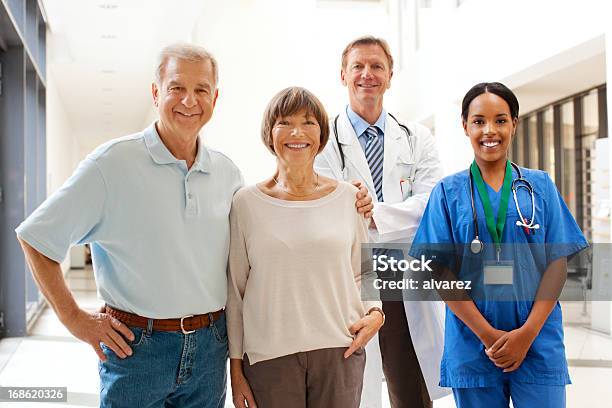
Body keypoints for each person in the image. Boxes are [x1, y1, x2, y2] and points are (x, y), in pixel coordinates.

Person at [15, 44, 373, 408]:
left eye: (201, 90)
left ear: (214, 98)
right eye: (176, 88)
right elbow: (36, 237)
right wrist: (75, 318)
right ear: (156, 93)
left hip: (208, 349)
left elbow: (346, 257)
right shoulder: (112, 164)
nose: (189, 101)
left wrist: (349, 197)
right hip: (139, 349)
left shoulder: (226, 174)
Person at [410, 82, 588, 407]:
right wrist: (488, 336)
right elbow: (439, 271)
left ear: (514, 124)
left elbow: (557, 263)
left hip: (538, 342)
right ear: (465, 126)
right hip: (473, 345)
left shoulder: (540, 187)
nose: (489, 130)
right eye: (479, 121)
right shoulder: (447, 193)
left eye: (500, 120)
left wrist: (527, 335)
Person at [227, 86, 384, 408]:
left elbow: (363, 269)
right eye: (285, 122)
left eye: (309, 122)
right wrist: (236, 369)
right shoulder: (245, 203)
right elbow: (235, 291)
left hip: (340, 350)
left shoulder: (347, 198)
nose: (297, 132)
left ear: (321, 135)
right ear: (269, 134)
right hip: (269, 358)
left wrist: (376, 312)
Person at [314, 35, 448, 408]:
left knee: (411, 391)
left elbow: (433, 202)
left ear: (390, 76)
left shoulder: (418, 137)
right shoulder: (322, 140)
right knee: (354, 388)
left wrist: (374, 210)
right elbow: (319, 205)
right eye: (358, 66)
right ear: (343, 75)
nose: (367, 75)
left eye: (377, 67)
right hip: (348, 280)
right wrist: (350, 205)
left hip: (405, 277)